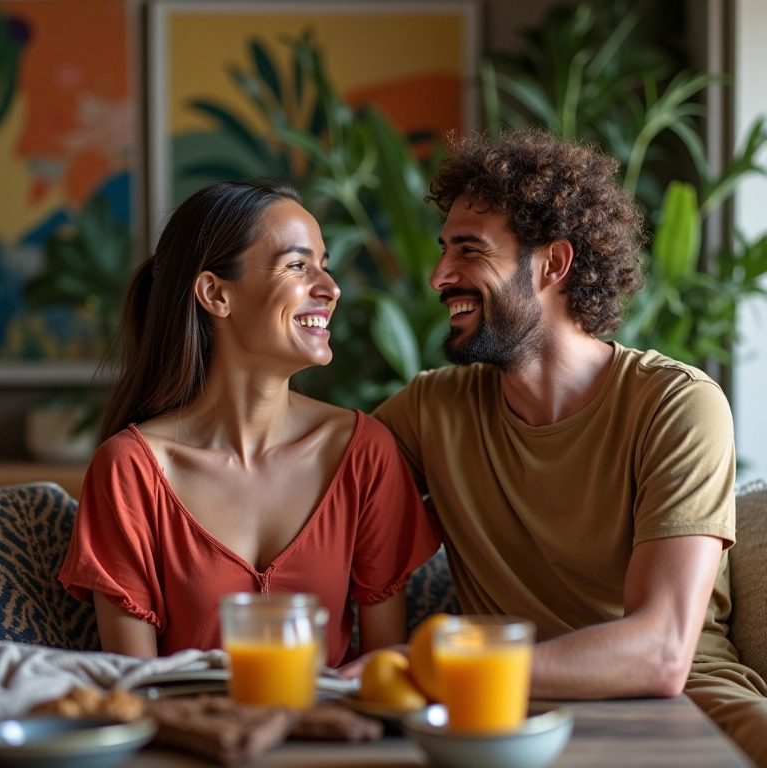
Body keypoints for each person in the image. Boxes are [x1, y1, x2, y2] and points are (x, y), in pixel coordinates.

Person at [374, 130, 767, 763]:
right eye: (445, 251)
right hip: (507, 720)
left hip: (694, 706)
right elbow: (305, 474)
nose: (439, 276)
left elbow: (662, 653)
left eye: (469, 251)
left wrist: (446, 668)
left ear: (554, 264)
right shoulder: (431, 411)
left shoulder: (675, 404)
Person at [59, 179, 440, 667]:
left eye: (325, 266)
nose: (330, 288)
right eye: (298, 266)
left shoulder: (363, 452)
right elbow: (138, 687)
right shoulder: (130, 471)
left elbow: (386, 675)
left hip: (336, 739)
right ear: (215, 294)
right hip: (189, 740)